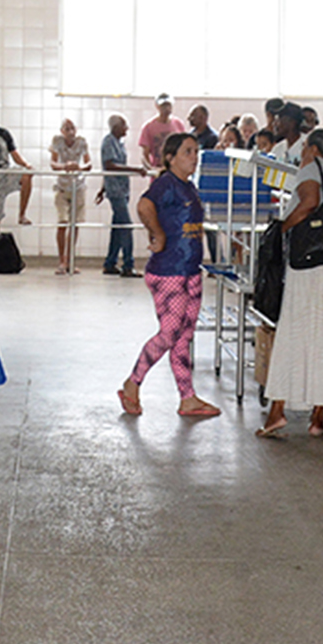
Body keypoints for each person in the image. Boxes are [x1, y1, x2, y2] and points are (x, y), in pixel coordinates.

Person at [258, 129, 323, 441]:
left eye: (305, 147)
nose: (302, 152)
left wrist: (281, 229)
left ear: (314, 150)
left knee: (295, 334)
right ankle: (317, 418)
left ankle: (277, 413)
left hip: (312, 268)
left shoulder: (311, 169)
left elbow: (309, 202)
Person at [119, 131, 218, 420]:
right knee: (169, 333)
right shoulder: (166, 184)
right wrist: (158, 234)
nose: (194, 157)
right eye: (188, 152)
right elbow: (144, 205)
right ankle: (132, 384)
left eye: (196, 151)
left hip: (190, 272)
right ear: (170, 158)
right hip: (168, 274)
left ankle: (187, 398)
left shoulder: (189, 187)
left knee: (183, 337)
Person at [97, 113, 139, 276]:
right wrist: (135, 169)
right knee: (127, 226)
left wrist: (102, 188)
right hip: (116, 191)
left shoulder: (118, 143)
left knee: (118, 228)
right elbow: (109, 165)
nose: (126, 129)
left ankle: (110, 263)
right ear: (115, 127)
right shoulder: (108, 142)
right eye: (124, 125)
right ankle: (128, 265)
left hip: (121, 189)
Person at [48, 117, 90, 274]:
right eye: (67, 129)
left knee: (75, 224)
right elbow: (53, 164)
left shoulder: (82, 142)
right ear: (62, 131)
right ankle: (61, 261)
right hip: (62, 187)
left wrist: (79, 167)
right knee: (63, 222)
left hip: (78, 187)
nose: (70, 132)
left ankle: (70, 260)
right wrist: (65, 166)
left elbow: (88, 163)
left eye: (72, 128)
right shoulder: (57, 141)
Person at [137, 95, 179, 170]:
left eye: (168, 105)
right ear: (157, 106)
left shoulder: (178, 124)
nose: (167, 108)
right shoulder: (149, 127)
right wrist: (151, 170)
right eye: (163, 106)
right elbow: (145, 154)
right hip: (158, 169)